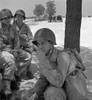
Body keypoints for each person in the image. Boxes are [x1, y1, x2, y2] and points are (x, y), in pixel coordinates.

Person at [29, 28, 89, 100]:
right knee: (42, 93)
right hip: (62, 89)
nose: (40, 46)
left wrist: (45, 61)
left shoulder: (63, 56)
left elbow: (58, 82)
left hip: (72, 90)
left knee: (51, 93)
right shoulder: (46, 57)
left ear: (51, 43)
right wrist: (36, 92)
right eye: (38, 44)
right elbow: (43, 78)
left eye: (43, 43)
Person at [12, 9, 34, 80]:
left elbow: (30, 37)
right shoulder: (11, 26)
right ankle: (14, 73)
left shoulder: (26, 27)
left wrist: (31, 45)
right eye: (18, 16)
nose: (19, 18)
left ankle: (27, 71)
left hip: (24, 45)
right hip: (14, 47)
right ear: (15, 17)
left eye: (21, 17)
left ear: (23, 18)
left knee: (29, 53)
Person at [0, 8, 17, 99]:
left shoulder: (13, 28)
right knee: (10, 59)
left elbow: (16, 41)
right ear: (1, 19)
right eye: (5, 18)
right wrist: (9, 50)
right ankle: (6, 88)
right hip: (3, 51)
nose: (8, 19)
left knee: (26, 56)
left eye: (9, 17)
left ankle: (13, 77)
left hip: (11, 50)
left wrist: (16, 50)